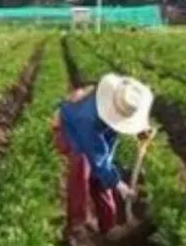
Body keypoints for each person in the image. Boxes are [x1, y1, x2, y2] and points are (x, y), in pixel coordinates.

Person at [52, 74, 154, 236]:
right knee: (82, 167)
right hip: (71, 129)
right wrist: (119, 185)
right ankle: (77, 226)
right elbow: (97, 156)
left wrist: (141, 129)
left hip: (99, 129)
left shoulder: (119, 100)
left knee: (102, 179)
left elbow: (105, 154)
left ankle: (109, 227)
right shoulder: (86, 118)